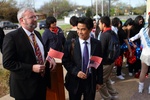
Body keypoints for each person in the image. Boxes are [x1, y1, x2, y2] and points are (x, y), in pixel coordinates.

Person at [2, 7, 56, 100]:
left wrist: (49, 58)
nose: (35, 20)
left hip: (41, 84)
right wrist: (31, 68)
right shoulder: (12, 37)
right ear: (22, 20)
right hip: (25, 89)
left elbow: (42, 52)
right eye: (32, 17)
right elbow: (7, 63)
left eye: (35, 17)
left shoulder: (37, 34)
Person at [62, 17, 103, 100]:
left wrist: (99, 81)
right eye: (78, 29)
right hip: (75, 80)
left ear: (90, 29)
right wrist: (76, 72)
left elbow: (99, 63)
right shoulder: (70, 44)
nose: (80, 32)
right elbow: (65, 61)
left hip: (90, 81)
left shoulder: (97, 44)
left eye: (83, 29)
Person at [98, 16, 118, 100]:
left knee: (100, 82)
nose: (99, 25)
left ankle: (107, 98)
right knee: (107, 80)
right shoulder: (113, 32)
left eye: (99, 23)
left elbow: (101, 51)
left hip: (105, 62)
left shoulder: (104, 35)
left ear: (104, 24)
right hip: (112, 61)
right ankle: (114, 95)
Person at [129, 15, 150, 94]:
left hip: (144, 55)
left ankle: (140, 88)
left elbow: (132, 38)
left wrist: (132, 43)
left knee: (143, 72)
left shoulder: (142, 30)